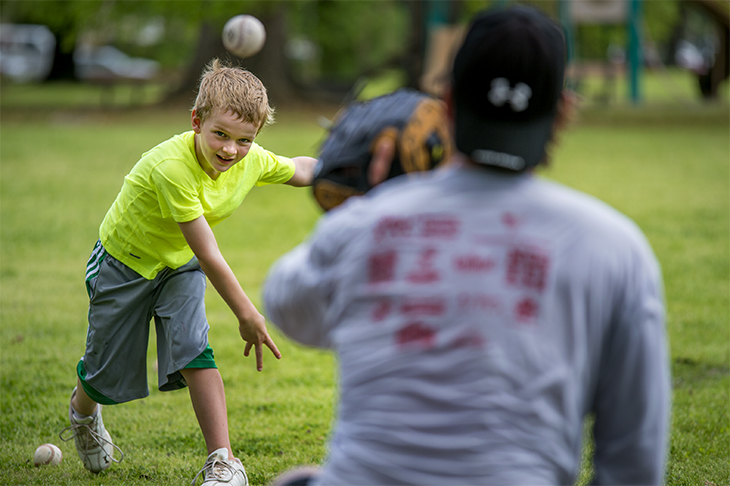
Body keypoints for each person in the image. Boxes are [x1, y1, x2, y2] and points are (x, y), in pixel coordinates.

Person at [263, 6, 670, 486]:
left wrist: (372, 207)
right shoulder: (615, 246)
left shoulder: (366, 225)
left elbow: (287, 309)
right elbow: (634, 463)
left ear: (447, 103)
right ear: (562, 112)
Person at [59, 58, 317, 486]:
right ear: (196, 121)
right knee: (105, 373)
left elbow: (300, 168)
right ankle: (82, 412)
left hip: (179, 266)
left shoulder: (249, 159)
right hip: (125, 265)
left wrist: (349, 166)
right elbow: (210, 253)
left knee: (194, 348)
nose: (230, 150)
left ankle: (223, 462)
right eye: (220, 134)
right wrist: (248, 314)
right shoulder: (171, 167)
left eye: (244, 140)